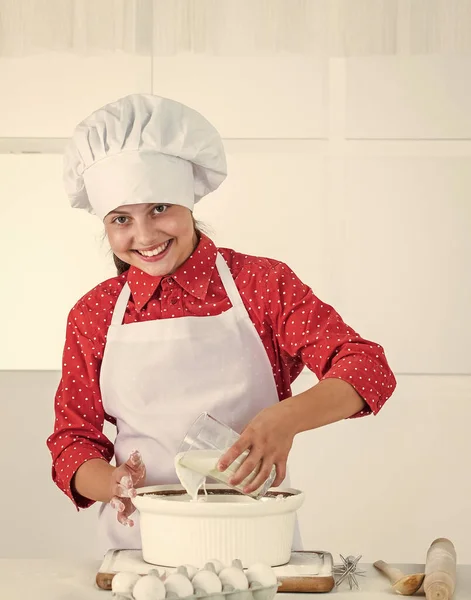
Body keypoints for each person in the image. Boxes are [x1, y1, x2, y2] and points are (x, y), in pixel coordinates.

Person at [47, 93, 396, 551]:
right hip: (140, 548)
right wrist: (113, 483)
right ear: (105, 226)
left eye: (159, 208)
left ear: (190, 203)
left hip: (253, 540)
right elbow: (72, 442)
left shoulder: (262, 284)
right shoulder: (93, 314)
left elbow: (366, 367)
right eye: (121, 219)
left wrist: (283, 419)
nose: (146, 235)